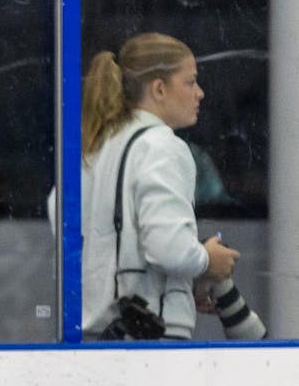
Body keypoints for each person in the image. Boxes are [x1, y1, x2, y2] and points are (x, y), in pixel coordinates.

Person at [79, 32, 241, 340]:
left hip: (101, 332)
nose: (200, 93)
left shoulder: (100, 145)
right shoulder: (163, 146)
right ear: (159, 89)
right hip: (154, 336)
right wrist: (207, 260)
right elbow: (168, 248)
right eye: (191, 82)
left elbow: (59, 214)